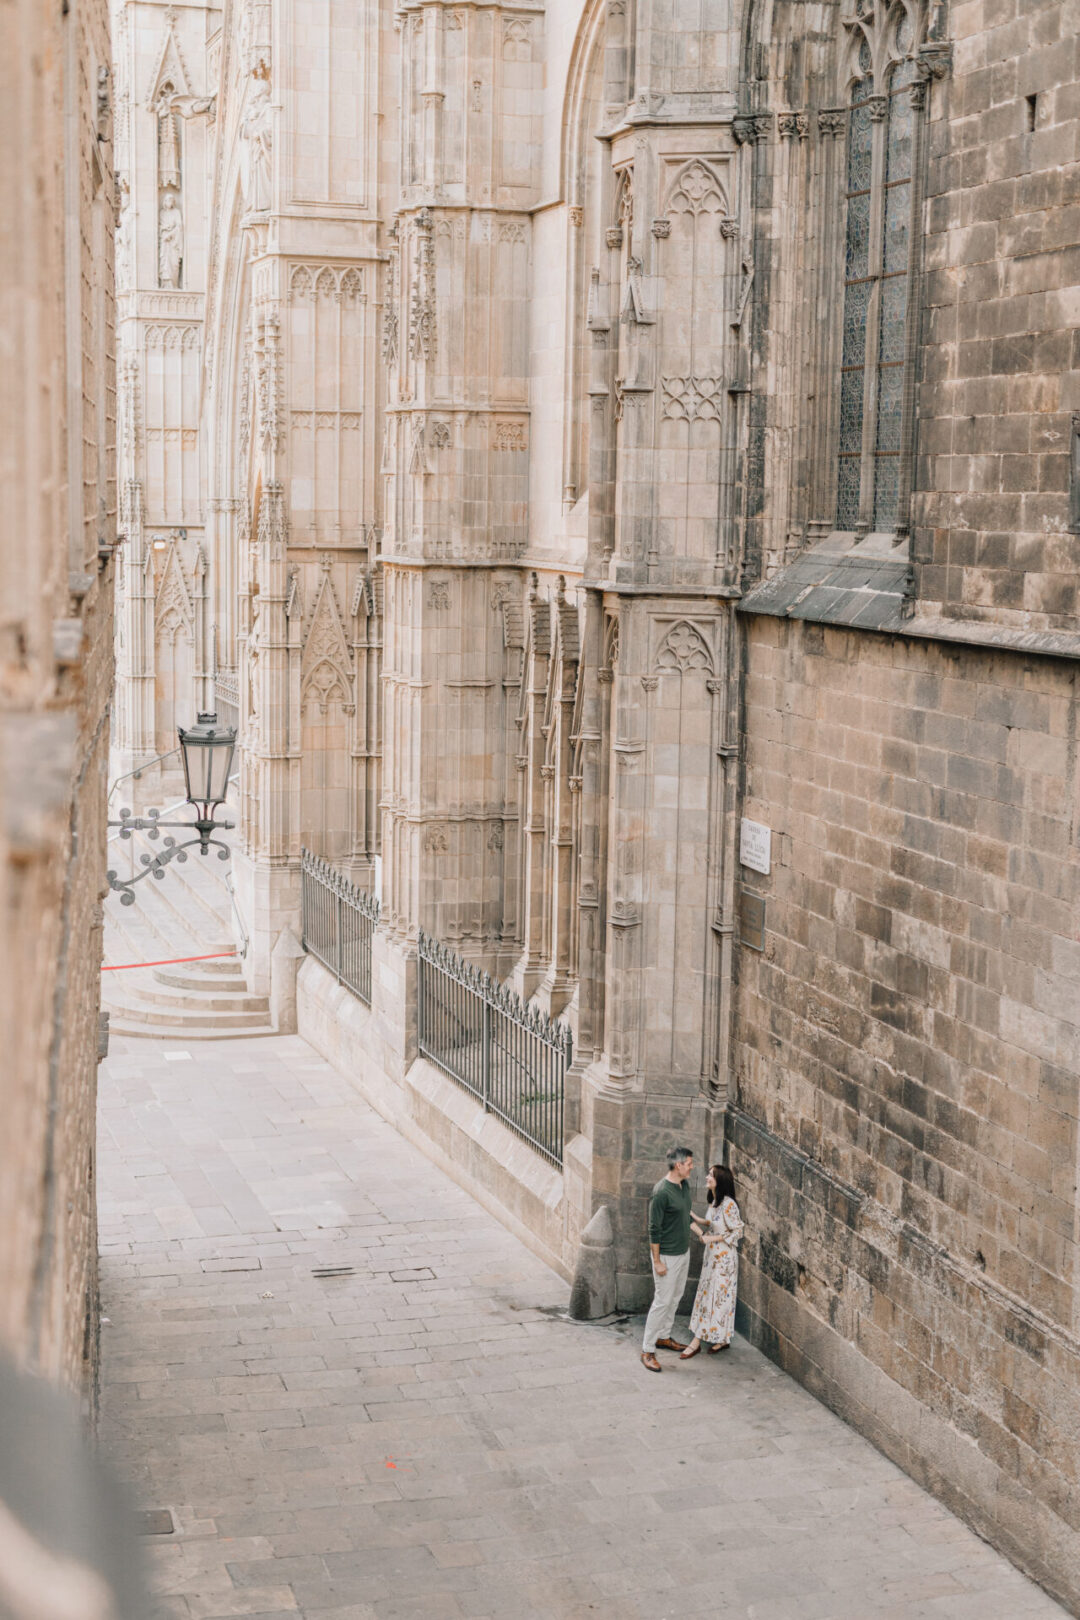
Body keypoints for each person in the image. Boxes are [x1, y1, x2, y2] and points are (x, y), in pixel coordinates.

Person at [679, 1164, 744, 1359]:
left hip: (724, 1260)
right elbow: (715, 1222)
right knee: (711, 1296)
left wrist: (711, 1239)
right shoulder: (715, 1201)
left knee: (715, 1298)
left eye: (711, 1175)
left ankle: (696, 1341)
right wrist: (697, 1219)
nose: (707, 1177)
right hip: (712, 1258)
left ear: (720, 1181)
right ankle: (722, 1339)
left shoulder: (729, 1204)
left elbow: (738, 1230)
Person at [640, 1147, 694, 1373]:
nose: (692, 1167)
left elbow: (685, 1214)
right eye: (689, 1163)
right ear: (678, 1165)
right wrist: (657, 1261)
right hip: (667, 1256)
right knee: (662, 1301)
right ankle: (647, 1349)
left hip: (683, 1252)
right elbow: (654, 1228)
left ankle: (664, 1336)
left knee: (676, 1297)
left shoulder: (684, 1185)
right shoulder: (661, 1192)